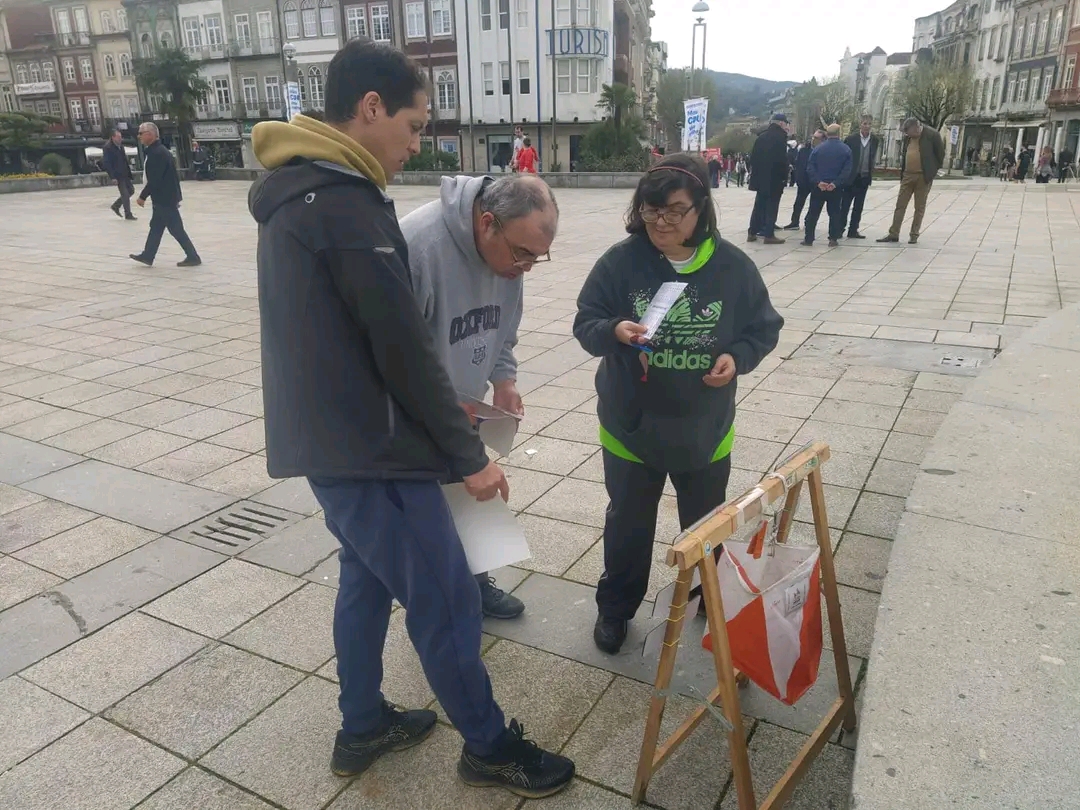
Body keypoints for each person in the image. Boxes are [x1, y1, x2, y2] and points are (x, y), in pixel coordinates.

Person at [247, 39, 574, 798]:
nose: (417, 144)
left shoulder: (306, 191)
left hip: (337, 440)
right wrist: (469, 457)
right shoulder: (343, 205)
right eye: (415, 125)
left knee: (365, 579)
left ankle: (362, 724)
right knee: (447, 596)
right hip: (372, 446)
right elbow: (403, 350)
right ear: (371, 109)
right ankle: (489, 746)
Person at [572, 153, 783, 655]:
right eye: (651, 210)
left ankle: (709, 593)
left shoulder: (732, 267)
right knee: (628, 524)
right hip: (630, 425)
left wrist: (736, 357)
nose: (660, 222)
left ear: (700, 209)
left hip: (703, 425)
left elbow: (763, 328)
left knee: (706, 524)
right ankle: (616, 608)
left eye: (674, 211)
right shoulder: (621, 262)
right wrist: (614, 330)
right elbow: (586, 322)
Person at [400, 173, 558, 620]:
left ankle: (475, 584)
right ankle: (439, 603)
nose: (526, 268)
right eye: (523, 254)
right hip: (415, 412)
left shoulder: (510, 259)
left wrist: (504, 381)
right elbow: (398, 357)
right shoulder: (418, 249)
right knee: (427, 514)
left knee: (471, 495)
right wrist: (446, 413)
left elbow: (503, 329)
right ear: (488, 223)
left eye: (537, 257)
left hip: (464, 410)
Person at [129, 123, 201, 267]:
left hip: (164, 198)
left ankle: (193, 256)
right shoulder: (158, 151)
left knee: (176, 229)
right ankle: (148, 255)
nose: (139, 136)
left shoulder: (157, 153)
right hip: (165, 197)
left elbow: (155, 179)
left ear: (150, 134)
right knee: (156, 227)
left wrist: (142, 196)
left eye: (141, 133)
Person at [877, 117, 944, 246]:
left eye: (909, 132)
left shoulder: (932, 135)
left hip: (923, 177)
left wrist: (931, 171)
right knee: (900, 205)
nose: (908, 135)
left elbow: (940, 155)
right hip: (907, 175)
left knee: (919, 207)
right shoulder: (908, 138)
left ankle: (914, 234)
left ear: (916, 127)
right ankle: (893, 233)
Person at [801, 124, 852, 248]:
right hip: (835, 188)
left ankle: (809, 238)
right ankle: (833, 238)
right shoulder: (845, 150)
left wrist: (818, 182)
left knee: (813, 213)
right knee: (834, 213)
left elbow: (810, 167)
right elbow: (847, 170)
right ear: (839, 133)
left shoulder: (818, 149)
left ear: (827, 133)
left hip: (819, 186)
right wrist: (835, 183)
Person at [747, 113, 791, 244]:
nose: (786, 126)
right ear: (781, 123)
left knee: (759, 206)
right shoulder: (780, 137)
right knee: (772, 206)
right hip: (774, 179)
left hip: (760, 179)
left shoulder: (761, 137)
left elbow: (753, 158)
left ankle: (752, 232)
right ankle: (769, 234)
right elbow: (782, 160)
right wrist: (784, 177)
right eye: (786, 124)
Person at [840, 115, 879, 239]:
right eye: (864, 123)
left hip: (864, 177)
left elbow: (872, 156)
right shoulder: (851, 139)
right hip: (851, 177)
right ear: (860, 124)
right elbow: (844, 157)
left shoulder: (874, 139)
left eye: (869, 124)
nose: (867, 126)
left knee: (859, 206)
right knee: (845, 205)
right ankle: (839, 229)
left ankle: (853, 230)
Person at [783, 130, 824, 231]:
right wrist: (798, 178)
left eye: (816, 138)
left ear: (822, 140)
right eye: (813, 137)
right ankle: (794, 222)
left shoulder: (823, 151)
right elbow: (798, 164)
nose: (813, 139)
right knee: (798, 203)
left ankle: (808, 222)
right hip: (804, 181)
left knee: (814, 204)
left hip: (816, 182)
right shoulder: (804, 150)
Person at [103, 128, 136, 221]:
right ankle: (128, 214)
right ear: (113, 137)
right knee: (125, 194)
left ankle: (116, 205)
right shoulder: (108, 148)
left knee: (131, 190)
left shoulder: (121, 146)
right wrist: (112, 177)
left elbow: (124, 160)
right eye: (118, 137)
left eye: (121, 137)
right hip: (117, 175)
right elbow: (107, 163)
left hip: (125, 173)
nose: (120, 139)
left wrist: (129, 172)